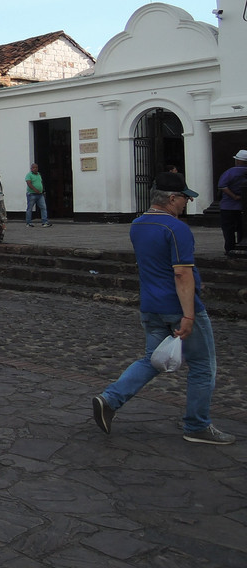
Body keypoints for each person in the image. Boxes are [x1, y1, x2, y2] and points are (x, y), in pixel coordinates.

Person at [93, 172, 235, 446]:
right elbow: (182, 273)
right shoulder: (176, 228)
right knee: (203, 365)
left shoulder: (138, 224)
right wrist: (189, 314)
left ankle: (110, 399)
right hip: (177, 305)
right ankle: (197, 425)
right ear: (172, 198)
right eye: (184, 197)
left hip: (151, 304)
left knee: (152, 359)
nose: (186, 203)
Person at [216, 149, 247, 257]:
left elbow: (222, 186)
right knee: (242, 229)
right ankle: (242, 247)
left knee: (228, 230)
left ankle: (230, 248)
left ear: (238, 161)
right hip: (243, 207)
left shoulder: (231, 172)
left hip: (228, 206)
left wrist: (234, 196)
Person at [25, 162, 51, 227]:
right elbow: (29, 183)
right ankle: (28, 223)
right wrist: (35, 189)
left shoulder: (39, 174)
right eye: (33, 167)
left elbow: (41, 182)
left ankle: (45, 222)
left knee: (43, 207)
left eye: (36, 167)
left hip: (40, 194)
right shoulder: (29, 175)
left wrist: (43, 190)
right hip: (32, 194)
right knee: (30, 208)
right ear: (31, 169)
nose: (35, 169)